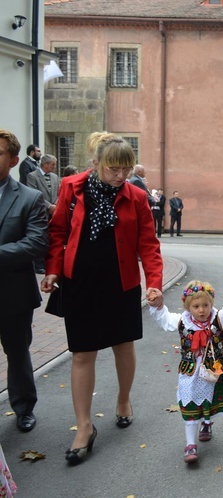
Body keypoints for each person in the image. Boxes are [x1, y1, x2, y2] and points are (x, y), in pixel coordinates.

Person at [41, 132, 163, 465]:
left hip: (120, 284)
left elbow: (149, 245)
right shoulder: (72, 187)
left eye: (126, 169)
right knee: (82, 353)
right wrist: (52, 270)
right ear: (96, 164)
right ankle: (84, 427)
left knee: (123, 345)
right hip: (79, 282)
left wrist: (154, 283)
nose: (121, 176)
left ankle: (123, 399)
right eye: (113, 169)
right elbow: (58, 232)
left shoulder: (136, 197)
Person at [149, 271, 223, 462]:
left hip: (212, 371)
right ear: (188, 307)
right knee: (190, 404)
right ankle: (190, 445)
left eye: (205, 305)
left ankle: (207, 422)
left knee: (208, 401)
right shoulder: (182, 321)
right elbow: (164, 319)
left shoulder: (217, 319)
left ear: (211, 304)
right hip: (190, 372)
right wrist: (157, 304)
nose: (202, 310)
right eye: (196, 306)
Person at [0, 129, 48, 434]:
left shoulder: (29, 198)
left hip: (12, 293)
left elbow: (36, 243)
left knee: (17, 353)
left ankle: (23, 407)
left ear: (14, 159)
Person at [26, 154, 60, 274]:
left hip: (54, 211)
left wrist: (56, 205)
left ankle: (48, 262)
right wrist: (49, 206)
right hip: (40, 211)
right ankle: (38, 264)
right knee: (40, 236)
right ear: (45, 164)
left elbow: (58, 192)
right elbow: (34, 193)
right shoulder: (32, 176)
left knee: (52, 237)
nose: (54, 167)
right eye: (52, 164)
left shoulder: (55, 177)